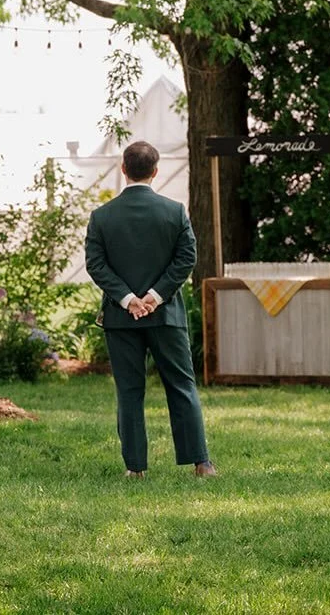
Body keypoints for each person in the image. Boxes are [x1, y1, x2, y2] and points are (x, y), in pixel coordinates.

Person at [84, 140, 216, 479]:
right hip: (166, 316)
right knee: (182, 386)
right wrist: (155, 297)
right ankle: (201, 463)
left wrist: (128, 299)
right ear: (156, 171)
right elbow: (186, 258)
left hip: (120, 317)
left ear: (123, 169)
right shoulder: (175, 212)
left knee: (129, 392)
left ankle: (136, 468)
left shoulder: (101, 217)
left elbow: (95, 265)